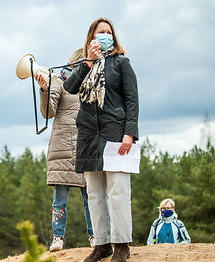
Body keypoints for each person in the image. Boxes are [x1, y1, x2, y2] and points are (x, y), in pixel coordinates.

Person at [63, 18, 139, 262]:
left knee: (118, 190)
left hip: (115, 133)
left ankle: (121, 245)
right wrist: (87, 63)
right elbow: (70, 88)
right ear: (91, 38)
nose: (105, 36)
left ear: (113, 37)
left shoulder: (121, 63)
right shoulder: (83, 64)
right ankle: (102, 243)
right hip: (88, 134)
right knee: (94, 193)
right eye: (100, 32)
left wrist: (130, 132)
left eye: (109, 32)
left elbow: (132, 100)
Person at [34, 48, 95, 252]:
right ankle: (57, 238)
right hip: (62, 148)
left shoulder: (93, 83)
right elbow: (48, 111)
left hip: (86, 146)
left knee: (91, 197)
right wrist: (44, 90)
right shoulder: (58, 81)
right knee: (60, 199)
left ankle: (95, 237)